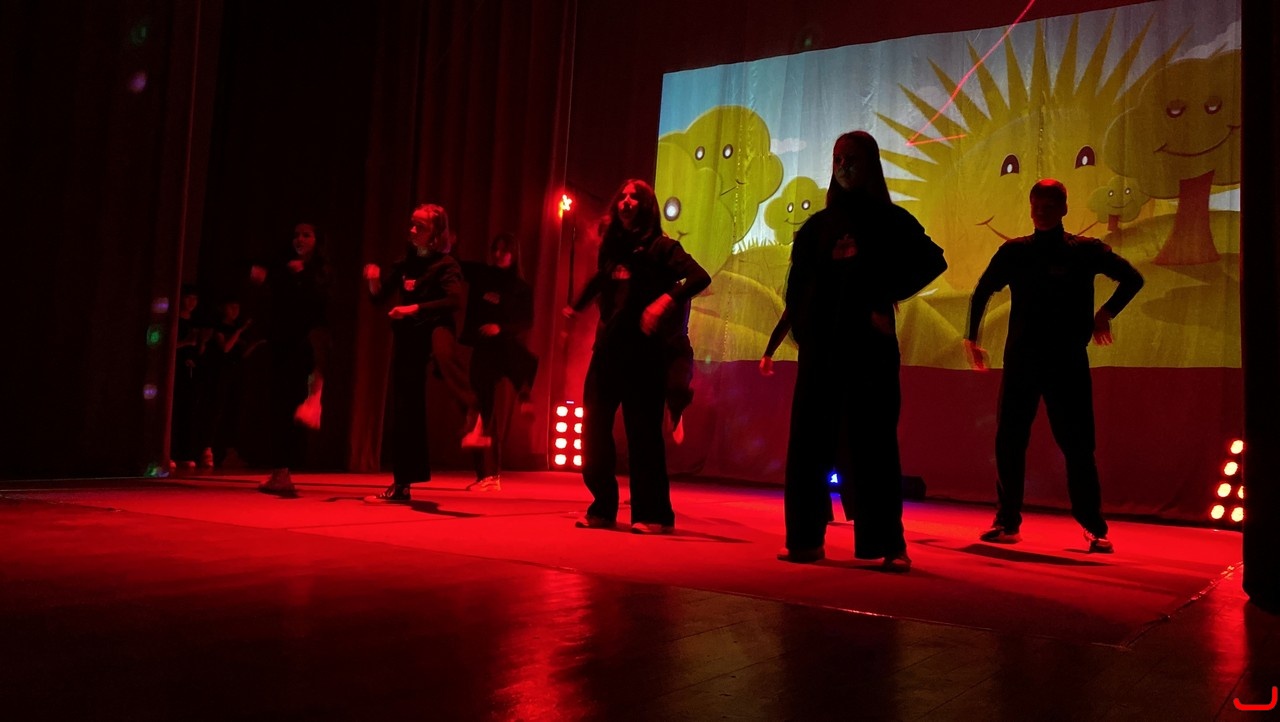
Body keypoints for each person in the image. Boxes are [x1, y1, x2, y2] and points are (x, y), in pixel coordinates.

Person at [778, 131, 946, 570]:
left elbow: (932, 260)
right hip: (820, 354)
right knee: (808, 445)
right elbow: (797, 285)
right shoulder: (816, 227)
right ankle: (805, 540)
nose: (843, 166)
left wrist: (883, 297)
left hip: (869, 352)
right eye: (837, 158)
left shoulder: (891, 221)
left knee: (873, 444)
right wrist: (804, 329)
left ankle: (887, 543)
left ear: (869, 164)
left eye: (852, 158)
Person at [965, 179, 1143, 554]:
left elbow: (1133, 278)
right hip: (1022, 361)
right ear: (1031, 208)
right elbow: (982, 290)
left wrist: (1106, 313)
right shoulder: (1015, 252)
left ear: (1063, 209)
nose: (1042, 212)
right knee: (1009, 440)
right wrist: (971, 338)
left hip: (1066, 362)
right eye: (1037, 206)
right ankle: (1007, 521)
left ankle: (1093, 526)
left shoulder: (1085, 250)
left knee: (1078, 445)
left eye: (1050, 206)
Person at [565, 179, 710, 533]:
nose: (627, 201)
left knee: (643, 435)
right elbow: (601, 281)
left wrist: (666, 300)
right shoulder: (612, 249)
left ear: (646, 208)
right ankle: (602, 507)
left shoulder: (663, 247)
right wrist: (575, 308)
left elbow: (698, 277)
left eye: (635, 197)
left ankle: (653, 514)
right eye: (623, 196)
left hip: (644, 355)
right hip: (607, 353)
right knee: (594, 430)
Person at [363, 204, 485, 504]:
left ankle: (474, 412)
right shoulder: (405, 262)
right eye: (412, 224)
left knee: (444, 354)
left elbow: (454, 301)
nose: (413, 230)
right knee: (406, 407)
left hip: (436, 326)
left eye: (421, 226)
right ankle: (402, 484)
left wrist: (414, 307)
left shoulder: (446, 264)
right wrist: (373, 281)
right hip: (409, 336)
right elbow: (379, 299)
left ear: (436, 234)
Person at [251, 221, 331, 497]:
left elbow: (319, 305)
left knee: (292, 400)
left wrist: (302, 276)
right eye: (296, 235)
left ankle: (314, 398)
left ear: (316, 240)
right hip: (283, 343)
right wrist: (271, 278)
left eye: (307, 235)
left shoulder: (320, 271)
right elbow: (275, 302)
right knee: (280, 406)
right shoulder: (283, 268)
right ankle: (281, 472)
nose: (300, 239)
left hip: (305, 341)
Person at [459, 232, 538, 492]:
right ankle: (486, 474)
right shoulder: (482, 275)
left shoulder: (520, 288)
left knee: (517, 358)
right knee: (482, 407)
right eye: (496, 249)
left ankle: (523, 390)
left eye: (505, 250)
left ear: (514, 254)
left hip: (504, 347)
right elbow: (457, 266)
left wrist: (500, 328)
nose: (499, 255)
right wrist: (446, 244)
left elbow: (526, 321)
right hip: (483, 349)